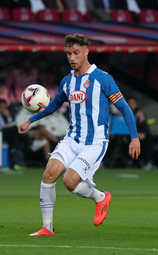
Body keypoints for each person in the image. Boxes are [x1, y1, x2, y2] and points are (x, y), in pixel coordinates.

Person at [18, 33, 141, 236]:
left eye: (76, 53)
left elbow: (125, 108)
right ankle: (47, 228)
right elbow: (54, 106)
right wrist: (30, 120)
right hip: (71, 139)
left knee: (69, 181)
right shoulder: (67, 81)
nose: (72, 58)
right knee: (48, 175)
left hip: (95, 142)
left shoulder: (103, 78)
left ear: (86, 51)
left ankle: (100, 197)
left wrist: (134, 136)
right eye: (68, 53)